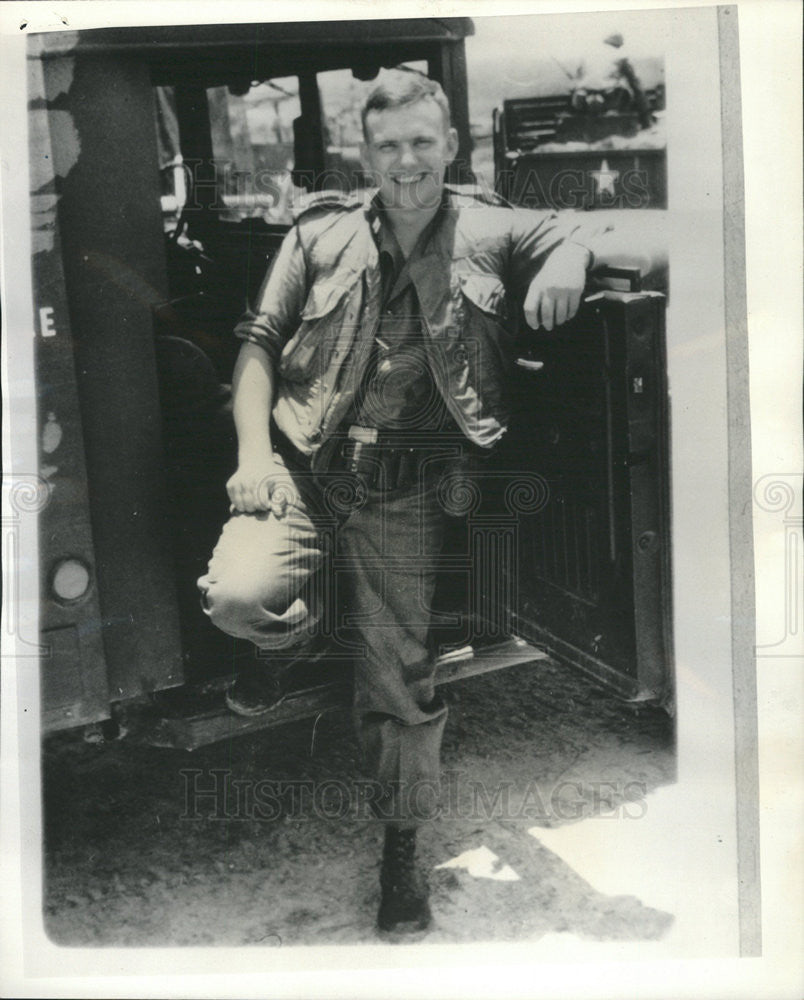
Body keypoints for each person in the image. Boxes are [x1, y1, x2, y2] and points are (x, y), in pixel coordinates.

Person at [197, 67, 616, 936]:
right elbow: (258, 344)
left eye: (423, 141)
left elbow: (595, 231)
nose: (407, 162)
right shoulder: (319, 235)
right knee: (242, 597)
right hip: (304, 468)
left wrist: (570, 254)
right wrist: (251, 454)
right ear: (365, 153)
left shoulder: (495, 226)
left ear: (450, 143)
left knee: (402, 681)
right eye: (387, 146)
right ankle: (287, 652)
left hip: (405, 487)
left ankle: (401, 843)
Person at [570, 32, 653, 130]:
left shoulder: (588, 55)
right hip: (610, 98)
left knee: (577, 90)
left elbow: (578, 78)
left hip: (583, 98)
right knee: (634, 88)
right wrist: (644, 108)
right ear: (619, 43)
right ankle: (646, 122)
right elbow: (634, 81)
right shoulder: (620, 56)